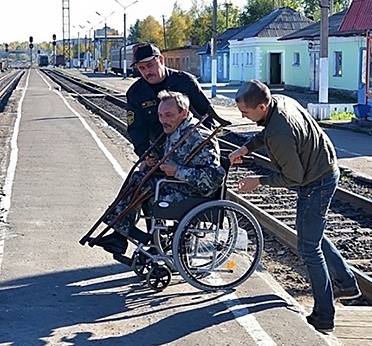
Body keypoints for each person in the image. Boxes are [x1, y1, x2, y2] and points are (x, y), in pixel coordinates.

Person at [228, 79, 361, 333]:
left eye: (246, 112)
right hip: (323, 167)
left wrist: (259, 181)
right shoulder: (281, 102)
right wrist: (246, 147)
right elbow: (265, 133)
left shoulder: (280, 132)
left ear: (262, 106)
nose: (242, 116)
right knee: (313, 236)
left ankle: (324, 315)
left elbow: (294, 178)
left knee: (309, 248)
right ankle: (346, 283)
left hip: (315, 181)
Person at [92, 90, 226, 265]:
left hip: (195, 195)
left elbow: (215, 177)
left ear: (184, 113)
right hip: (177, 186)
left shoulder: (199, 137)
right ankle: (122, 234)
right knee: (139, 177)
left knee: (144, 184)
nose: (163, 120)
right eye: (160, 115)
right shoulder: (176, 130)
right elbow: (174, 159)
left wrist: (177, 171)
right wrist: (155, 160)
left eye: (169, 115)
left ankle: (123, 233)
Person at [126, 43, 217, 169]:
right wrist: (146, 154)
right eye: (142, 68)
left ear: (161, 60)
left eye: (150, 66)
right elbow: (136, 128)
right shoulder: (136, 93)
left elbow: (207, 115)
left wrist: (205, 144)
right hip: (160, 155)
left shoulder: (186, 82)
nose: (147, 72)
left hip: (191, 152)